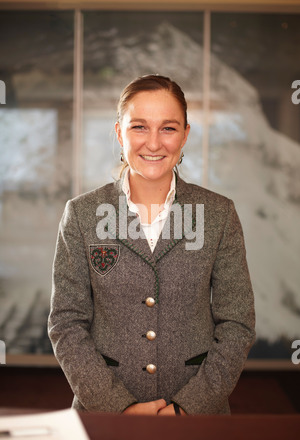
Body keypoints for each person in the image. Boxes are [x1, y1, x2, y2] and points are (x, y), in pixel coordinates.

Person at [48, 74, 255, 416]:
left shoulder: (219, 214)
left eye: (168, 128)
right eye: (139, 127)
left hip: (199, 420)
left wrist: (187, 410)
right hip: (103, 417)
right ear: (119, 133)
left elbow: (237, 324)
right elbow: (66, 323)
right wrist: (120, 409)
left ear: (186, 134)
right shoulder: (82, 214)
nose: (154, 144)